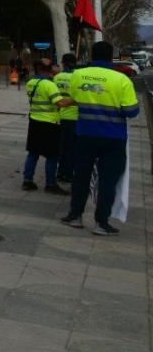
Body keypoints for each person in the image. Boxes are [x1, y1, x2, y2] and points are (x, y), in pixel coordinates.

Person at [60, 40, 140, 235]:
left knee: (81, 176)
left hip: (85, 134)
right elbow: (131, 112)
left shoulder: (78, 76)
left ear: (92, 55)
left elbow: (74, 98)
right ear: (110, 55)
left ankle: (75, 216)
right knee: (108, 180)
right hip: (113, 138)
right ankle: (101, 223)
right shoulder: (121, 79)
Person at [22, 58, 72, 194]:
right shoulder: (49, 85)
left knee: (33, 153)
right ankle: (50, 184)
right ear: (50, 69)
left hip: (34, 122)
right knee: (52, 156)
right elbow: (60, 103)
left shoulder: (31, 83)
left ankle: (27, 180)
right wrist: (77, 100)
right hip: (49, 124)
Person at [54, 53, 77, 183]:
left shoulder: (57, 78)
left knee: (61, 147)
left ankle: (60, 171)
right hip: (74, 118)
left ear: (63, 63)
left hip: (59, 117)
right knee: (72, 148)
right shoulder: (77, 78)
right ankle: (69, 173)